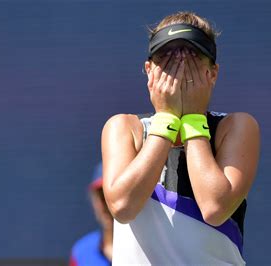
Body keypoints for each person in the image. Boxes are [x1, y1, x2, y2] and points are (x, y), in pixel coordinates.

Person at [101, 11, 260, 265]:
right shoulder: (124, 127)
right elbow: (122, 207)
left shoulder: (237, 126)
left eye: (193, 57)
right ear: (149, 71)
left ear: (213, 73)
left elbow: (214, 207)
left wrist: (194, 118)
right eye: (167, 58)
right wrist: (166, 119)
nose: (179, 69)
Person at [69, 162, 112, 266]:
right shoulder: (81, 252)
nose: (105, 205)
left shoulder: (145, 248)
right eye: (100, 196)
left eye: (110, 196)